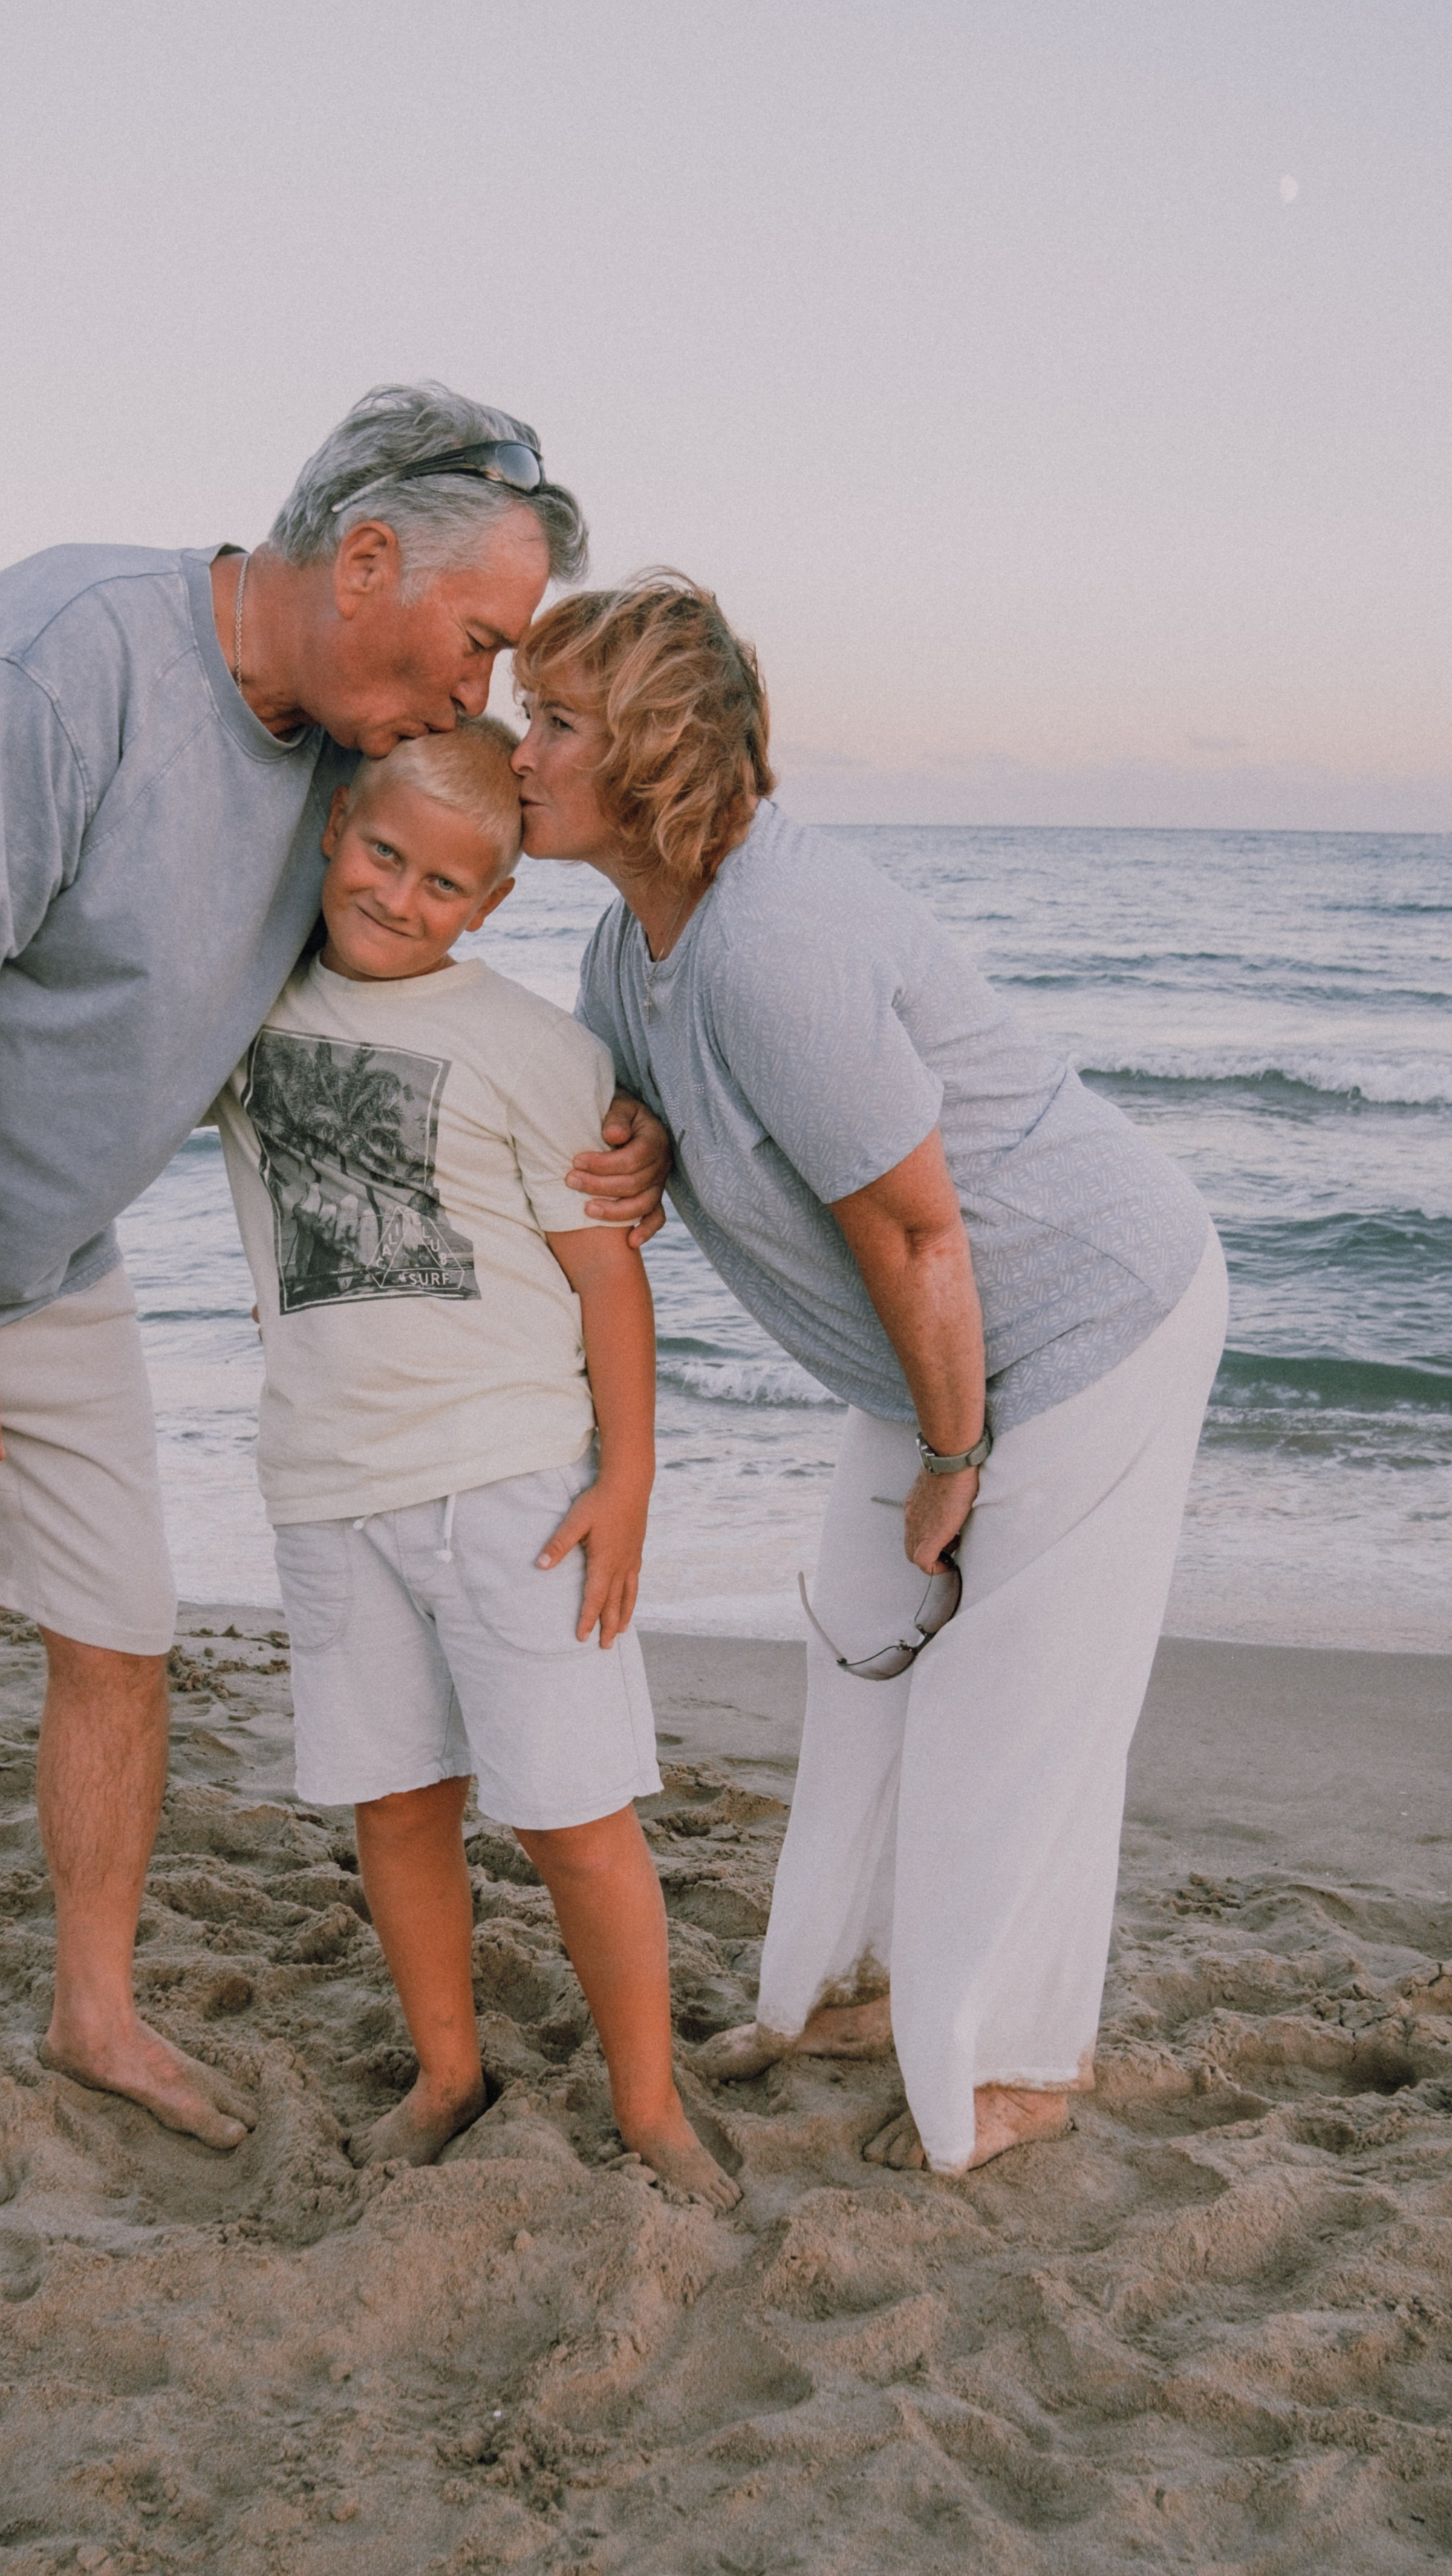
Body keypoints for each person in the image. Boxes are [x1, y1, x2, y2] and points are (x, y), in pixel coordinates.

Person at [0, 384, 671, 2208]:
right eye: (478, 644)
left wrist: (621, 1141)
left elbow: (399, 982)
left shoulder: (342, 761)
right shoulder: (53, 662)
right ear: (364, 560)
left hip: (44, 1255)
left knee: (122, 1630)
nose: (481, 700)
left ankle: (96, 2010)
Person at [509, 573, 1228, 2179]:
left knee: (1012, 1702)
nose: (519, 755)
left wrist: (953, 1453)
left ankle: (1015, 2063)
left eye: (551, 724)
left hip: (1080, 1314)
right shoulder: (627, 948)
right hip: (938, 1356)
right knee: (864, 1652)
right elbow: (672, 1100)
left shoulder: (777, 945)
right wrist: (639, 1135)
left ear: (653, 754)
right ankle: (844, 1991)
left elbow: (915, 1235)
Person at [214, 720, 738, 2207]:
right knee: (395, 1803)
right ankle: (450, 2072)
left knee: (571, 1812)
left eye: (447, 883)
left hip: (512, 1484)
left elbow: (607, 1280)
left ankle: (647, 2106)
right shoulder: (240, 1017)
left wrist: (626, 1475)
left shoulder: (529, 1048)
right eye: (382, 855)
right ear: (332, 834)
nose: (401, 897)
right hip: (323, 1484)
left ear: (491, 904)